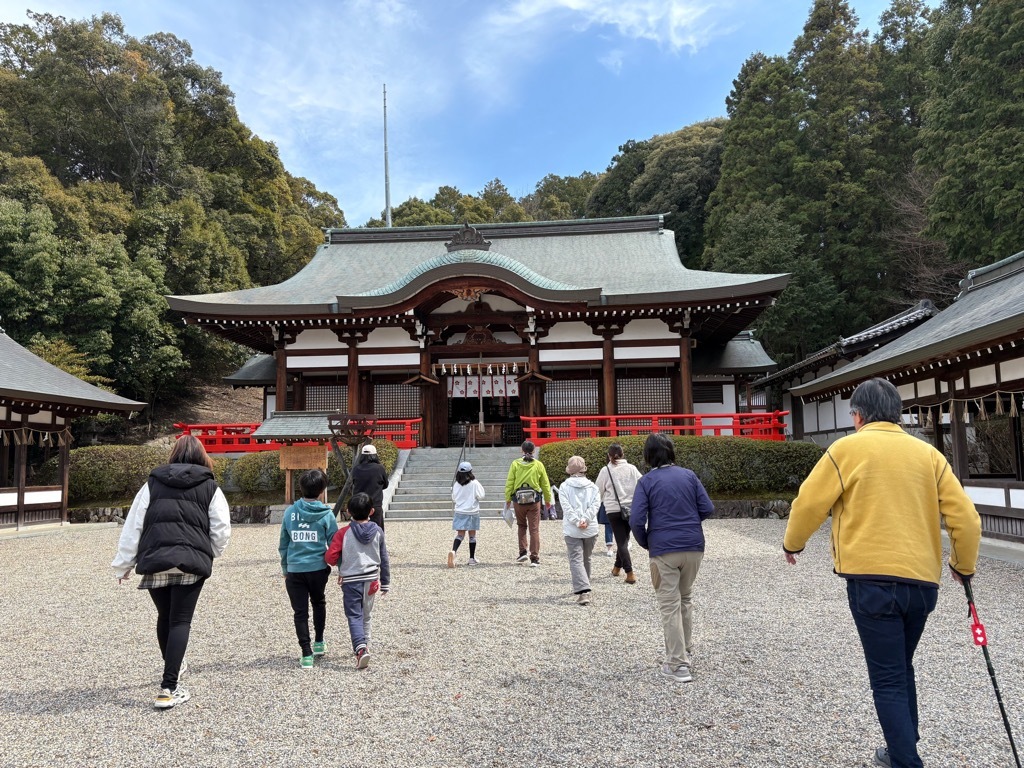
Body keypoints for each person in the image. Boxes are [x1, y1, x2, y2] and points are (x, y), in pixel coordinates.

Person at [783, 378, 981, 768]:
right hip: (923, 583)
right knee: (901, 666)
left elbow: (809, 502)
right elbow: (967, 520)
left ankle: (905, 760)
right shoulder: (928, 455)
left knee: (888, 676)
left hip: (871, 581)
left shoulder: (846, 450)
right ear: (896, 413)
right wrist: (963, 565)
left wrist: (794, 543)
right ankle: (903, 742)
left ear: (857, 415)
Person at [111, 435, 231, 709]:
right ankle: (168, 687)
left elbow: (134, 525)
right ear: (202, 457)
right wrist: (210, 552)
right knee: (180, 621)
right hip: (191, 560)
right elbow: (221, 528)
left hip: (156, 558)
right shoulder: (210, 486)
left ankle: (173, 668)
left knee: (165, 617)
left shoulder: (152, 484)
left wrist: (123, 563)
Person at [630, 432, 713, 684]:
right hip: (693, 546)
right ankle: (685, 649)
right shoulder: (689, 475)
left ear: (649, 455)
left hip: (664, 548)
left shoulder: (647, 481)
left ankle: (678, 665)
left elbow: (636, 519)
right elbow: (707, 508)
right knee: (685, 597)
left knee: (669, 605)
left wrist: (647, 541)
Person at [279, 469, 338, 669]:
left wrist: (285, 567)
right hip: (318, 568)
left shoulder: (290, 512)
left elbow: (284, 543)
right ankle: (319, 641)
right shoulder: (327, 514)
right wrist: (337, 565)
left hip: (295, 569)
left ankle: (306, 653)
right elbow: (334, 543)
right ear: (322, 491)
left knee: (300, 612)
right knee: (319, 602)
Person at [325, 492, 391, 669]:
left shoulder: (343, 534)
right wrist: (386, 582)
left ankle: (360, 649)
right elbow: (384, 557)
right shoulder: (378, 531)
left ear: (348, 511)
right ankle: (365, 643)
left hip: (351, 581)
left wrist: (334, 561)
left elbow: (331, 557)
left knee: (354, 615)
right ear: (371, 511)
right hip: (371, 580)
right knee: (366, 615)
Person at [596, 443, 643, 584]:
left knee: (621, 540)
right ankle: (617, 567)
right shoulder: (632, 469)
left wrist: (597, 504)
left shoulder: (606, 470)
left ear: (609, 456)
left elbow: (598, 490)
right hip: (630, 508)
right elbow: (642, 484)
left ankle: (629, 573)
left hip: (613, 509)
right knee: (624, 539)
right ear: (623, 454)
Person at [558, 456, 601, 605]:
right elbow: (595, 506)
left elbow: (566, 508)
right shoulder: (593, 487)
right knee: (586, 558)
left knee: (576, 559)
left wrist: (577, 521)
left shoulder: (564, 487)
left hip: (572, 529)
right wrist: (586, 519)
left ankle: (583, 591)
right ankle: (585, 585)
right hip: (590, 528)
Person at [504, 440, 553, 567]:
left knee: (521, 526)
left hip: (518, 500)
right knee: (534, 529)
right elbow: (545, 484)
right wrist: (548, 500)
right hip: (534, 501)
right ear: (534, 451)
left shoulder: (515, 464)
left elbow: (510, 482)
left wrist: (508, 498)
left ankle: (522, 552)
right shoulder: (538, 465)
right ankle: (534, 557)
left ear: (522, 450)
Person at [449, 460, 485, 568]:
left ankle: (454, 551)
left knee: (460, 535)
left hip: (460, 511)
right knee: (472, 536)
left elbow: (454, 498)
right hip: (472, 512)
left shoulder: (456, 485)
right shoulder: (474, 483)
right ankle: (471, 558)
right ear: (470, 472)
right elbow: (481, 495)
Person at [350, 443, 389, 531]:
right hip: (375, 504)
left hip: (359, 504)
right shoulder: (379, 468)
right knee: (377, 530)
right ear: (374, 455)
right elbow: (386, 484)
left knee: (358, 530)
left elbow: (353, 483)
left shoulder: (356, 468)